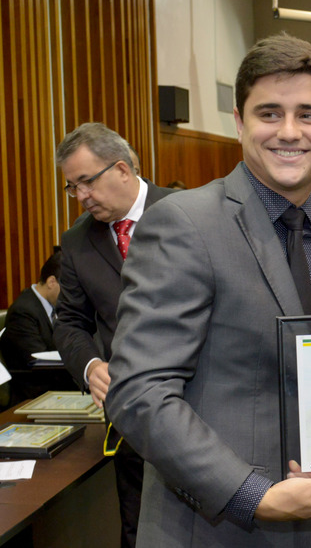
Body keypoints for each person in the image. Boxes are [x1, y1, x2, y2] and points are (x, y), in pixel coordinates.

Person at [105, 34, 311, 548]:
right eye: (269, 113)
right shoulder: (182, 223)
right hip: (218, 530)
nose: (289, 131)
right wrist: (254, 496)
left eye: (309, 115)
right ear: (239, 122)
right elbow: (139, 391)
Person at [53, 122, 175, 548]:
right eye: (72, 187)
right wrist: (90, 366)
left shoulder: (189, 212)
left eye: (86, 181)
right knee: (138, 526)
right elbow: (69, 321)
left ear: (122, 169)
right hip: (128, 413)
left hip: (201, 401)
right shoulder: (76, 241)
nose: (81, 196)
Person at [0, 250, 74, 402]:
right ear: (52, 282)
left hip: (57, 386)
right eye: (68, 289)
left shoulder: (55, 307)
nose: (71, 296)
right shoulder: (23, 311)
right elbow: (40, 362)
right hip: (34, 393)